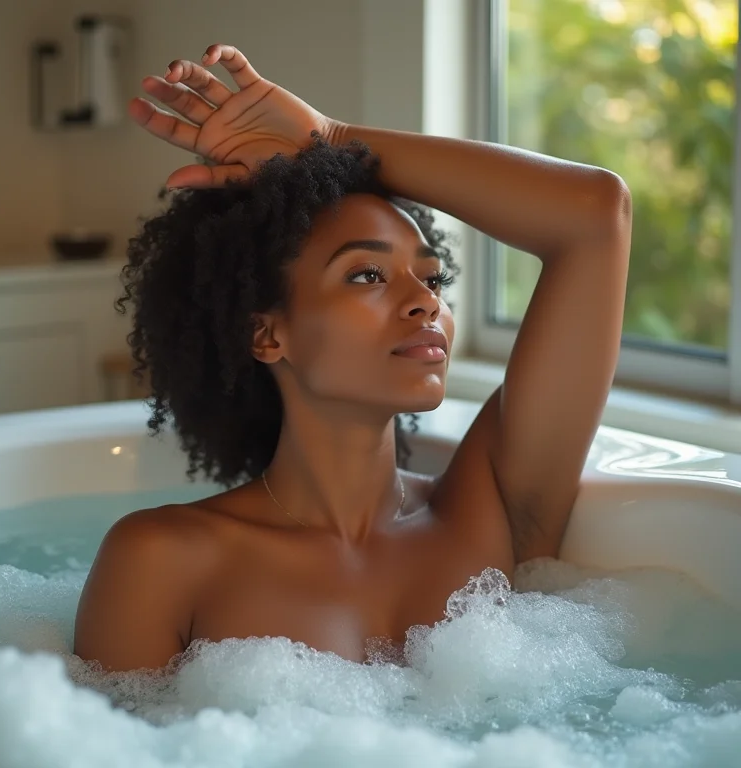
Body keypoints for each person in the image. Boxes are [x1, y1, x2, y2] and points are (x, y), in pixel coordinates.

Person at [74, 44, 632, 672]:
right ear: (267, 336)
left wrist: (330, 141)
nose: (424, 301)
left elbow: (595, 216)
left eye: (433, 277)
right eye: (367, 275)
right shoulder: (161, 557)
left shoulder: (488, 507)